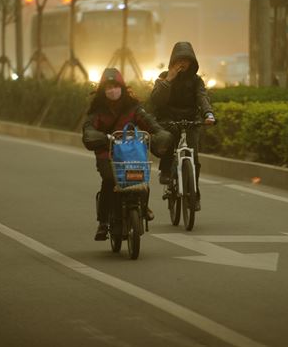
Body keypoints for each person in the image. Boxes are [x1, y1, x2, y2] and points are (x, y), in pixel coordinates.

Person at [82, 68, 171, 241]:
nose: (112, 90)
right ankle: (103, 222)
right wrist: (102, 138)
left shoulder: (133, 108)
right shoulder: (97, 111)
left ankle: (143, 208)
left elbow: (151, 125)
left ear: (122, 87)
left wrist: (159, 136)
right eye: (108, 87)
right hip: (106, 155)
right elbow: (88, 131)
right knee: (109, 182)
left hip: (131, 155)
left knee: (141, 180)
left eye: (115, 86)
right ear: (103, 90)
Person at [149, 42, 215, 211]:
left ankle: (195, 193)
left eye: (187, 60)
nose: (183, 63)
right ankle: (165, 170)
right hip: (168, 120)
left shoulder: (196, 80)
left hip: (190, 121)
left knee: (194, 157)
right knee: (168, 141)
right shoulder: (164, 76)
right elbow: (156, 100)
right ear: (173, 61)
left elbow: (202, 97)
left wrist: (208, 114)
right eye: (180, 60)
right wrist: (169, 80)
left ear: (192, 62)